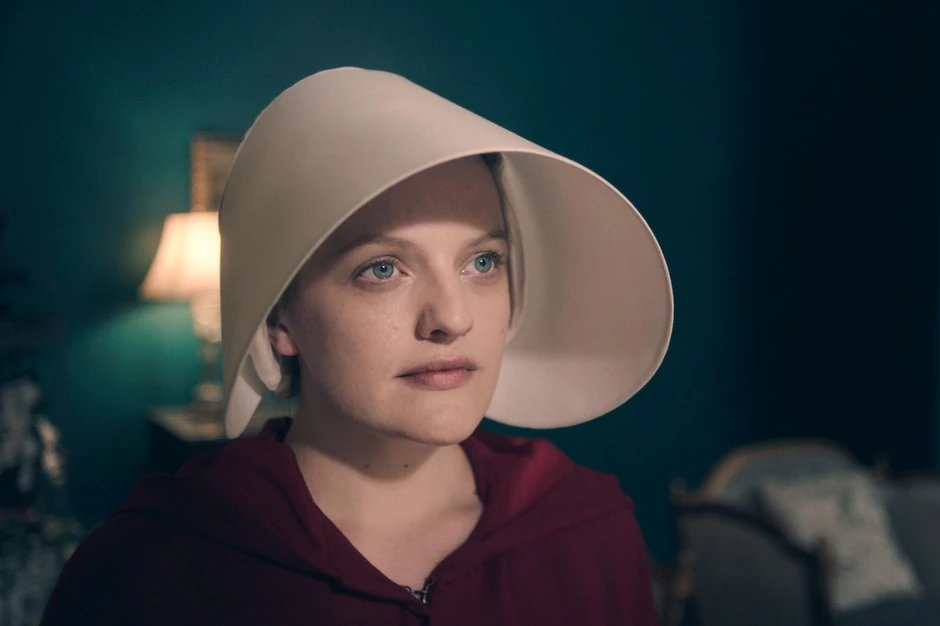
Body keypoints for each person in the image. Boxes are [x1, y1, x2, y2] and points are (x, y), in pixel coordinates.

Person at [41, 67, 673, 625]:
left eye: (482, 262)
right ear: (280, 319)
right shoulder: (147, 574)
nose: (453, 318)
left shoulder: (587, 530)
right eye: (383, 269)